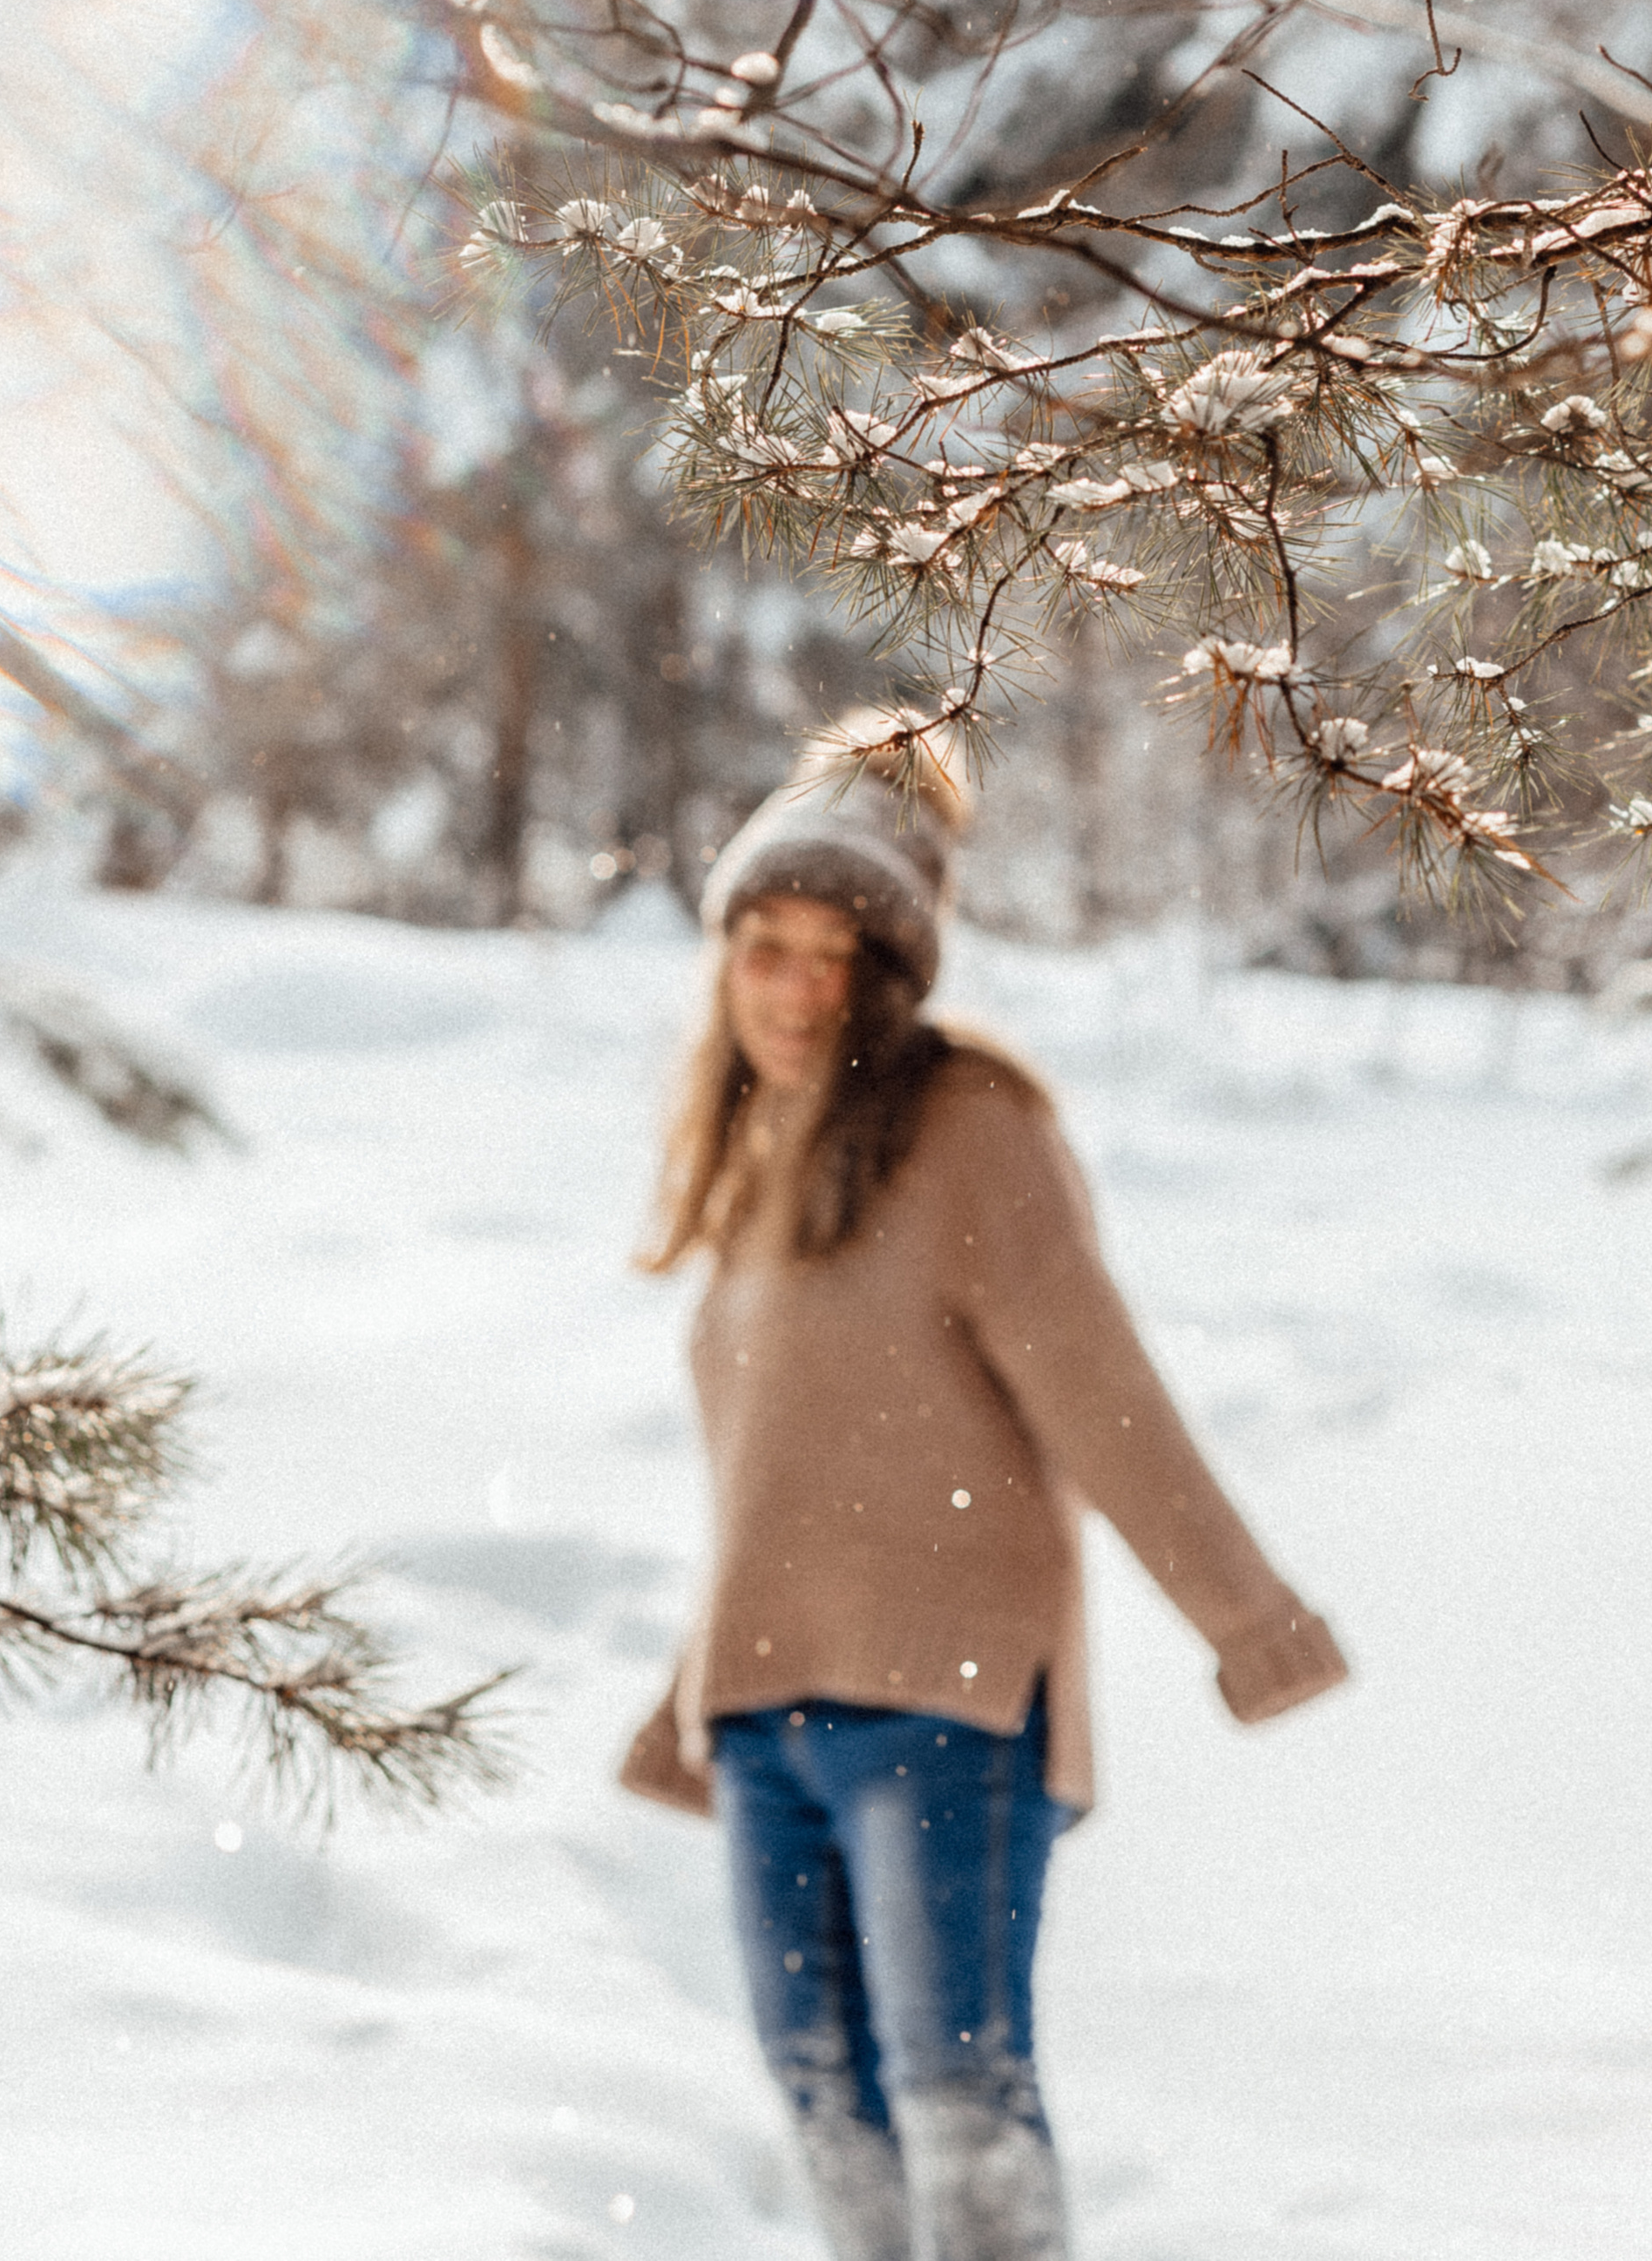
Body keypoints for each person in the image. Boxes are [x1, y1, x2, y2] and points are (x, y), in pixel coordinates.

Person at [620, 717, 1349, 2261]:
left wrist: (1251, 1619)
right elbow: (789, 1470)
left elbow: (1108, 1405)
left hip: (944, 1707)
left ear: (894, 973)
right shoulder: (756, 1154)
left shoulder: (972, 1131)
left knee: (958, 2098)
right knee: (821, 2093)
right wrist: (693, 1686)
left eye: (839, 956)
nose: (800, 990)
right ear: (726, 957)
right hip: (770, 1722)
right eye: (769, 948)